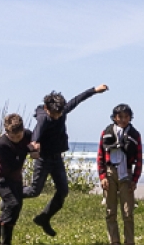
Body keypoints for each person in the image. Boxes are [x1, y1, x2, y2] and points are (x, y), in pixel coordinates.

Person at [25, 85, 108, 236]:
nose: (57, 116)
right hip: (43, 160)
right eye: (54, 114)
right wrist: (34, 143)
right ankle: (11, 194)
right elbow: (37, 132)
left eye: (59, 113)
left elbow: (77, 100)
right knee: (33, 191)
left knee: (63, 191)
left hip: (57, 159)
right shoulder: (44, 118)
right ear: (46, 108)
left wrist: (94, 90)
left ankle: (44, 218)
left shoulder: (62, 111)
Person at [0, 114, 36, 245]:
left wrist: (36, 147)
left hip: (15, 177)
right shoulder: (2, 143)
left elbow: (36, 142)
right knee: (12, 204)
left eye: (19, 135)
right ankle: (6, 243)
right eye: (12, 137)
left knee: (16, 206)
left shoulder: (28, 134)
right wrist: (28, 149)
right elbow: (15, 164)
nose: (16, 139)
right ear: (6, 132)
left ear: (23, 130)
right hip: (0, 177)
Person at [98, 104, 143, 245]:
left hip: (127, 174)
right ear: (114, 117)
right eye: (120, 117)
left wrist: (135, 180)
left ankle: (130, 243)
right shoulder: (106, 132)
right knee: (111, 210)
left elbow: (139, 160)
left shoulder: (135, 135)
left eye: (126, 117)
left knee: (128, 211)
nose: (123, 119)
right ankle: (114, 242)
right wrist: (103, 176)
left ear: (130, 117)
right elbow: (100, 157)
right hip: (110, 173)